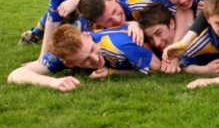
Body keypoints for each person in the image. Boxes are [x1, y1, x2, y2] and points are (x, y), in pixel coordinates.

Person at [8, 24, 160, 91]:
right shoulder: (62, 55)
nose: (95, 59)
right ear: (68, 64)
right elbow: (15, 75)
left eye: (92, 49)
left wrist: (114, 72)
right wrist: (53, 82)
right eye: (85, 60)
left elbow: (159, 70)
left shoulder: (121, 44)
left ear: (87, 36)